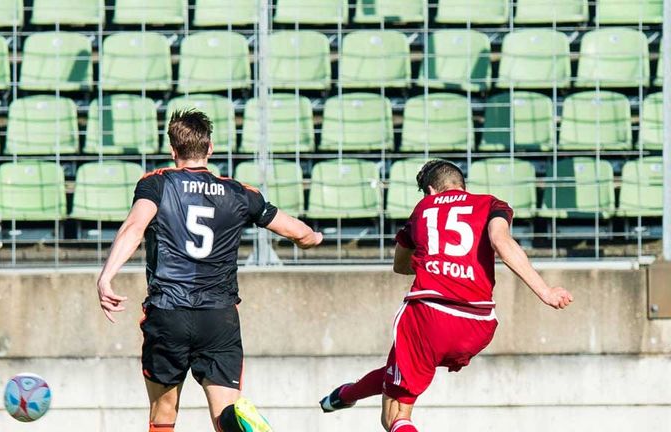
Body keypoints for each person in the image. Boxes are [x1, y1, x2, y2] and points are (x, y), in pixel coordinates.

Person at [97, 110, 323, 432]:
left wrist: (106, 276)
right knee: (226, 414)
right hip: (218, 316)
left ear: (173, 150)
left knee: (163, 412)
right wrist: (314, 238)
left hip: (168, 312)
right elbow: (298, 233)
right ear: (210, 148)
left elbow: (135, 226)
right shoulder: (240, 193)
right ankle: (239, 424)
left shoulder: (156, 185)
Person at [319, 159, 573, 432]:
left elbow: (400, 266)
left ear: (430, 190)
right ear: (462, 185)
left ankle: (347, 396)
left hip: (428, 316)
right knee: (402, 368)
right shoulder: (491, 204)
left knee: (395, 416)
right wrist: (545, 291)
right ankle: (344, 395)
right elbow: (501, 241)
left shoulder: (423, 209)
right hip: (478, 323)